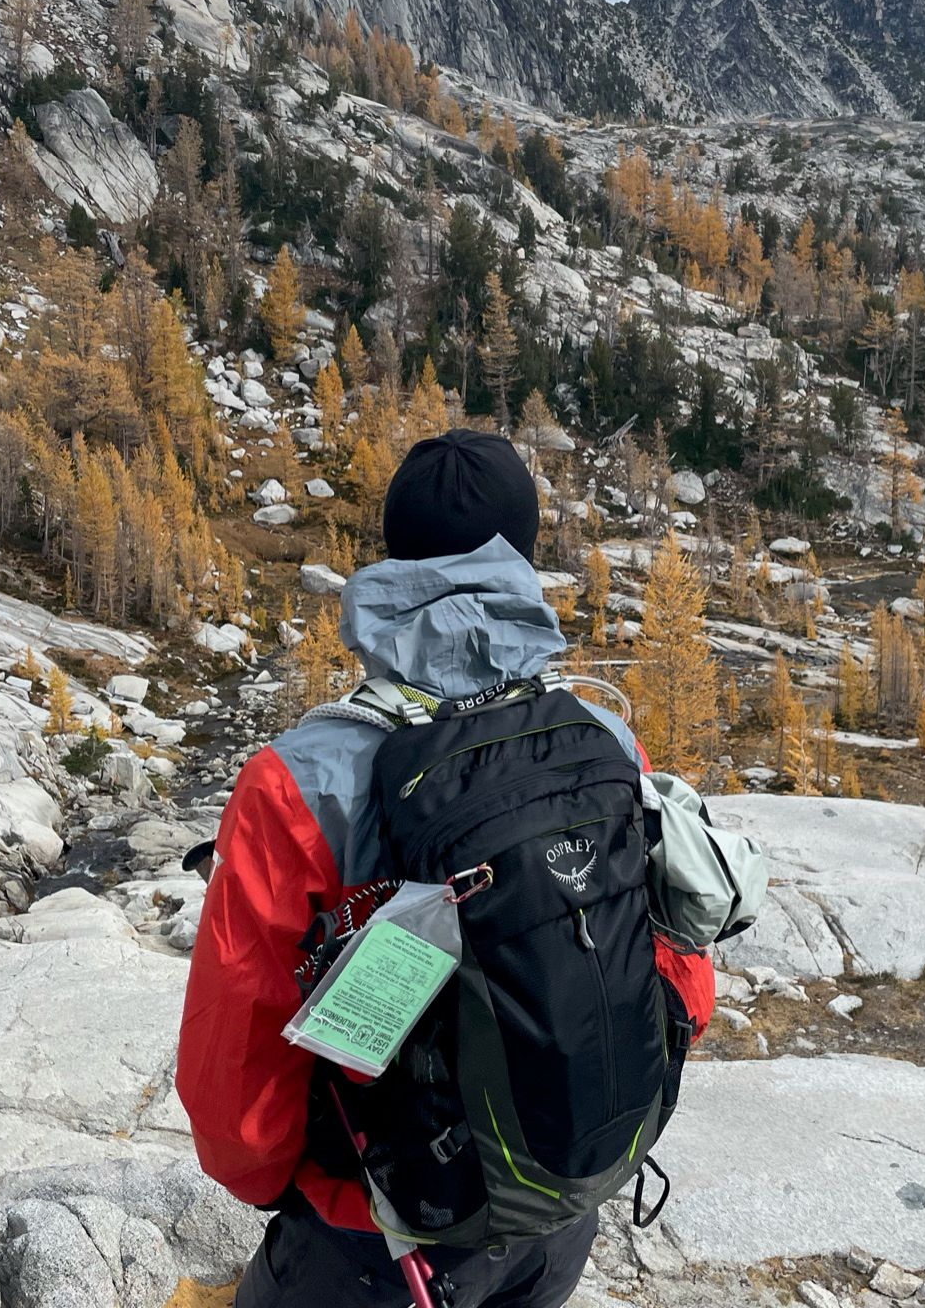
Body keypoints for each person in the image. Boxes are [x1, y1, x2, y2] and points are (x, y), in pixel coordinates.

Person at [178, 428, 717, 1307]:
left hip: (378, 1232)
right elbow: (675, 968)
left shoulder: (300, 777)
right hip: (562, 1205)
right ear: (524, 559)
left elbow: (235, 1050)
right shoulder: (602, 738)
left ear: (392, 561)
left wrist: (283, 1186)